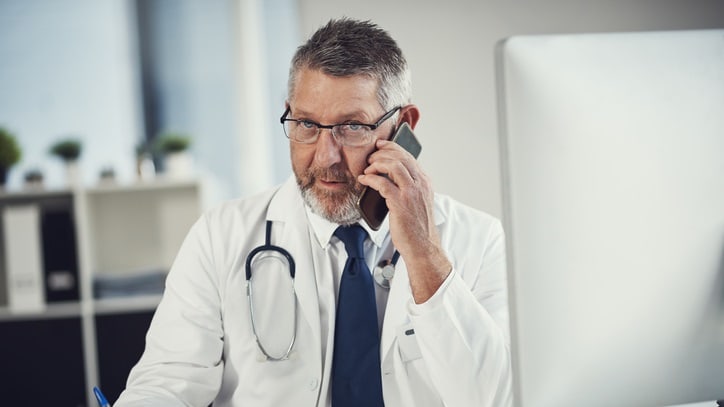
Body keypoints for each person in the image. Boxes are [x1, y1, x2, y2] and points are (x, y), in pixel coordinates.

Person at [115, 17, 511, 407]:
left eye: (352, 127)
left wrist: (425, 256)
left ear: (403, 126)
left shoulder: (477, 240)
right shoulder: (221, 236)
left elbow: (495, 398)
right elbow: (166, 383)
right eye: (306, 123)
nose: (325, 156)